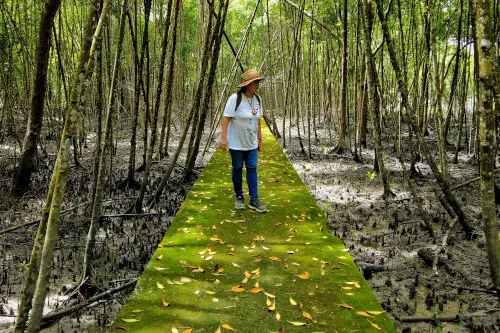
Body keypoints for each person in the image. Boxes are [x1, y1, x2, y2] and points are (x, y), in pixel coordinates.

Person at [219, 69, 267, 212]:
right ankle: (239, 197)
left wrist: (259, 136)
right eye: (255, 82)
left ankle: (254, 199)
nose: (257, 84)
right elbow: (226, 117)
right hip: (236, 143)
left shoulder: (258, 99)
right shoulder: (235, 99)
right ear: (248, 85)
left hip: (251, 142)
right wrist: (223, 138)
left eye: (258, 81)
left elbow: (257, 119)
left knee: (252, 168)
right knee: (238, 168)